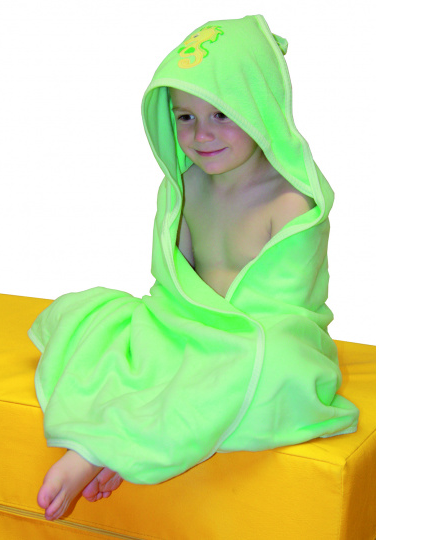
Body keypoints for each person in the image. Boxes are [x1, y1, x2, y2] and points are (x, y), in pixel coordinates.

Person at [30, 15, 360, 522]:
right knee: (89, 312)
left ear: (260, 107)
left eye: (222, 114)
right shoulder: (186, 187)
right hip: (185, 330)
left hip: (254, 343)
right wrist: (173, 331)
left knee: (271, 361)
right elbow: (171, 285)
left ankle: (101, 448)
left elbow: (283, 314)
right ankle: (124, 441)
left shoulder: (290, 203)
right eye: (185, 116)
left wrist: (203, 347)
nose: (202, 134)